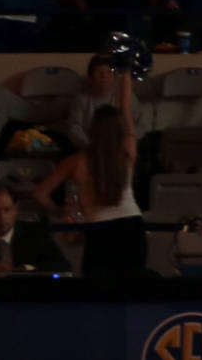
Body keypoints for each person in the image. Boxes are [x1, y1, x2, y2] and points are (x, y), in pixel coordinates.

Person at [43, 66, 146, 275]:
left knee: (97, 300)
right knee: (131, 296)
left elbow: (40, 193)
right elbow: (125, 108)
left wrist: (60, 211)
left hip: (99, 231)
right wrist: (125, 73)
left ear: (93, 129)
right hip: (132, 228)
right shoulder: (126, 153)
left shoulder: (76, 161)